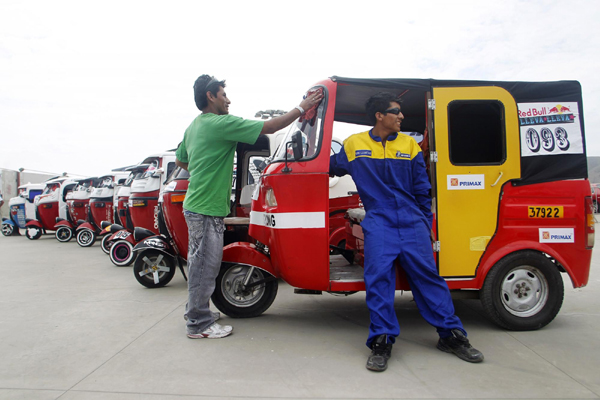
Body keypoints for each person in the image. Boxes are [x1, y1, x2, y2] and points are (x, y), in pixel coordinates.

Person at [329, 92, 484, 371]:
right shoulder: (354, 145)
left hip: (412, 221)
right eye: (395, 111)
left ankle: (451, 335)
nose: (401, 116)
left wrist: (425, 222)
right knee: (378, 280)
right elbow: (329, 167)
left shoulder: (410, 145)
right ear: (379, 116)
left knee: (428, 278)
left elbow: (422, 188)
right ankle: (382, 340)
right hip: (379, 221)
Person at [175, 74, 322, 339]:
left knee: (201, 263)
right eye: (223, 95)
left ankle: (195, 312)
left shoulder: (194, 126)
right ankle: (198, 323)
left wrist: (206, 169)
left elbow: (182, 161)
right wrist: (303, 107)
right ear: (211, 97)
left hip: (198, 205)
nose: (228, 100)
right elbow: (271, 126)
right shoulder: (220, 123)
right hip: (205, 207)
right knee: (205, 265)